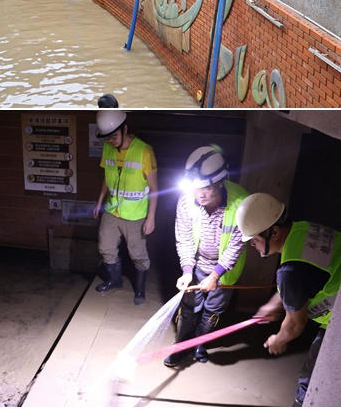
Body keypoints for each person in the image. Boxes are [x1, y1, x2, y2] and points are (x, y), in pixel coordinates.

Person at [236, 193, 341, 407]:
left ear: (274, 232)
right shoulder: (304, 229)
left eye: (255, 239)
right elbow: (306, 276)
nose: (253, 245)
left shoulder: (289, 272)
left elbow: (295, 324)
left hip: (340, 321)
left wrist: (279, 339)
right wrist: (276, 302)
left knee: (313, 379)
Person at [164, 145, 250, 367]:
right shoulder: (186, 200)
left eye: (206, 188)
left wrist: (215, 275)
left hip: (225, 271)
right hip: (197, 264)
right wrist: (187, 271)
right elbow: (184, 238)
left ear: (220, 182)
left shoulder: (242, 204)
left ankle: (200, 344)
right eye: (195, 187)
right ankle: (182, 346)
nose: (199, 194)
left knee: (213, 310)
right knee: (188, 309)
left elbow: (235, 246)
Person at [91, 111, 158, 305]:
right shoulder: (108, 148)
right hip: (112, 209)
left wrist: (151, 217)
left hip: (135, 214)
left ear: (125, 129)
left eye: (114, 136)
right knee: (105, 247)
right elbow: (107, 176)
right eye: (107, 137)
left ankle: (140, 289)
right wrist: (100, 200)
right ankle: (114, 280)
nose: (111, 141)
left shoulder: (145, 151)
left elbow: (154, 187)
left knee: (137, 253)